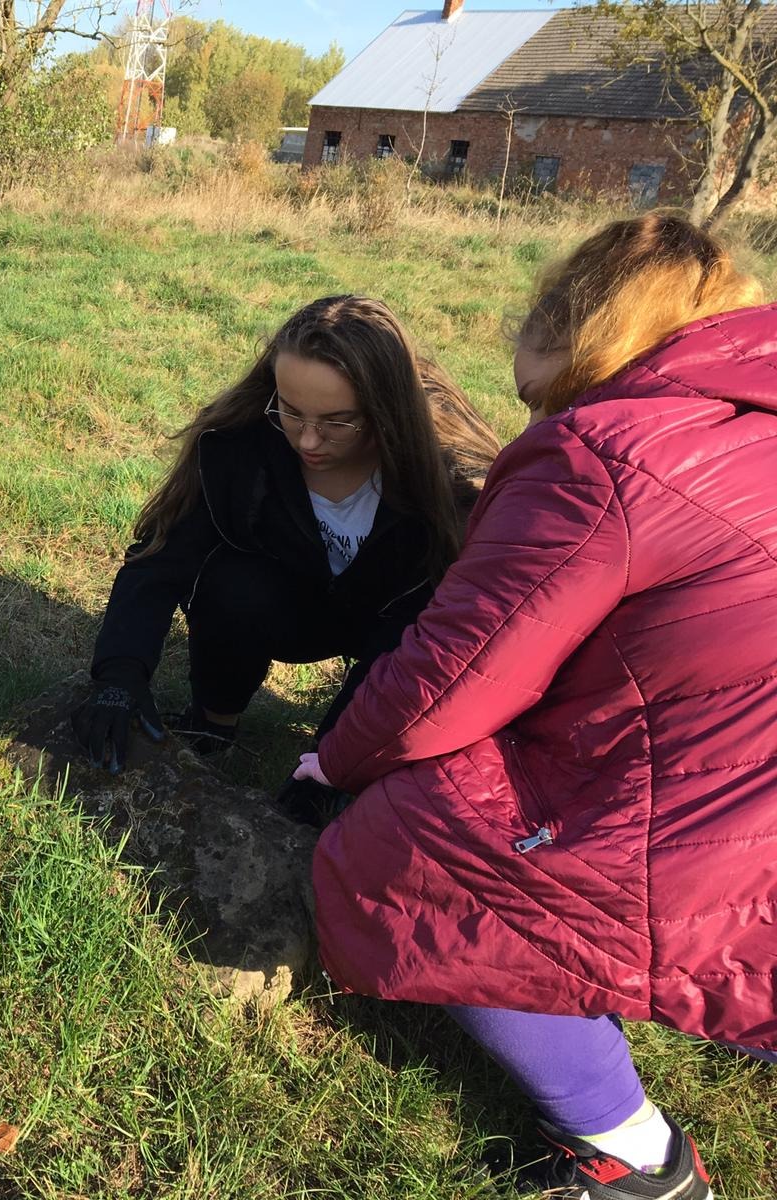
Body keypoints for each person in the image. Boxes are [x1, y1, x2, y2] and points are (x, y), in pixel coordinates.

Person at [297, 212, 777, 1199]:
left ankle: (637, 1156)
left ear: (573, 325)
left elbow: (454, 673)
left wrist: (335, 762)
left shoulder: (605, 452)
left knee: (407, 851)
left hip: (720, 815)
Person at [74, 294, 499, 820]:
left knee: (415, 631)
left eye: (339, 421)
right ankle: (214, 721)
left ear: (387, 411)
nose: (310, 439)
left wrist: (335, 766)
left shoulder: (453, 480)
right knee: (231, 583)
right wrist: (119, 675)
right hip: (285, 603)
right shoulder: (238, 443)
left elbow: (465, 633)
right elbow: (160, 560)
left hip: (394, 631)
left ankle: (324, 766)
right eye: (291, 411)